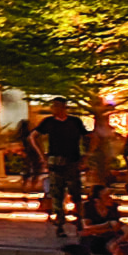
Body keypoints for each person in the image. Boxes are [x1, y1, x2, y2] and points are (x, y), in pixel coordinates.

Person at [33, 98, 90, 237]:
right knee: (57, 193)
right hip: (56, 160)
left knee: (75, 192)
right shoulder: (49, 122)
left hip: (73, 160)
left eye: (58, 107)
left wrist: (86, 156)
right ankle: (60, 223)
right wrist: (42, 156)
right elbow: (33, 136)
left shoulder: (74, 122)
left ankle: (79, 221)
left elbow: (88, 136)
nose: (55, 109)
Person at [77, 180, 127, 255]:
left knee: (116, 246)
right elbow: (86, 228)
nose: (110, 199)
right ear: (97, 200)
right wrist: (106, 225)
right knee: (85, 242)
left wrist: (97, 230)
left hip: (108, 237)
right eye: (106, 196)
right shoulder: (88, 207)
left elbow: (116, 227)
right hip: (93, 239)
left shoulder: (114, 207)